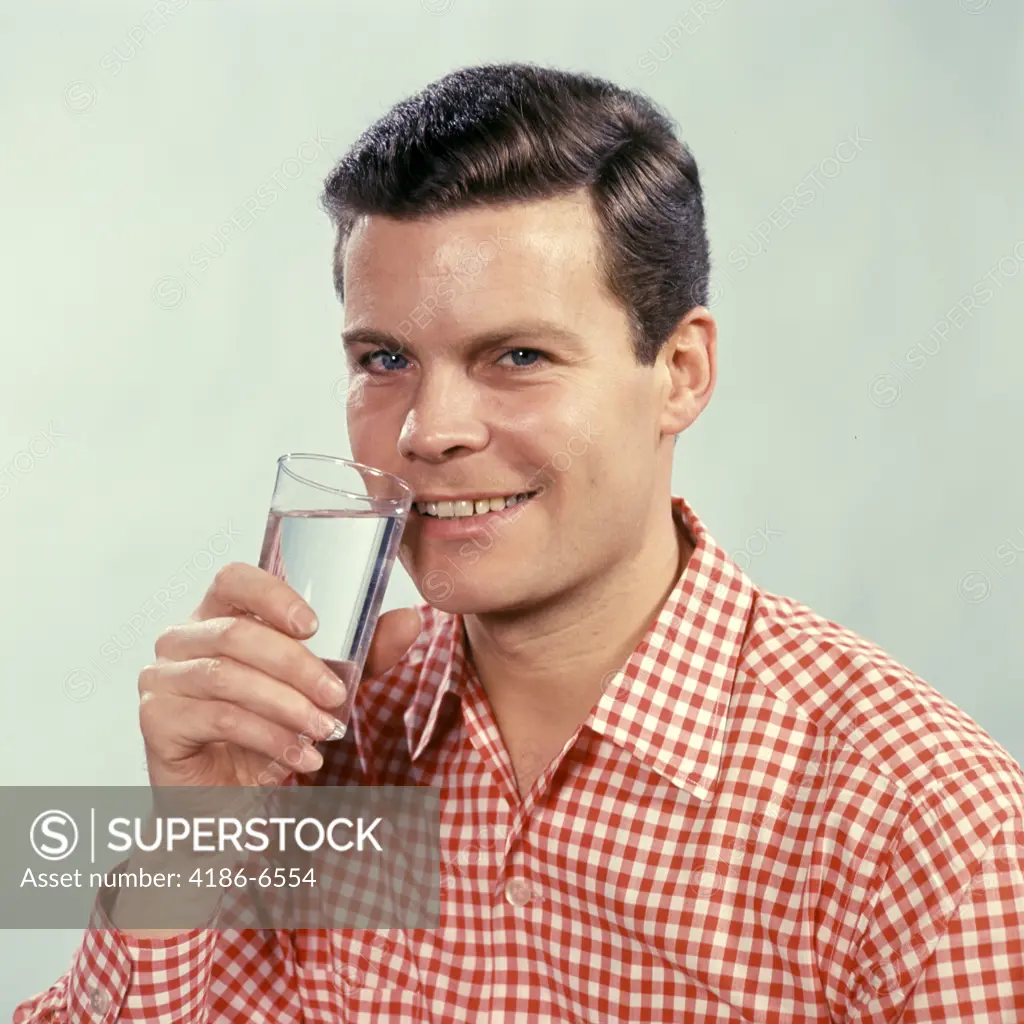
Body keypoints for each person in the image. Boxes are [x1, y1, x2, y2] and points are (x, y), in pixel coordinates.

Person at [16, 61, 1024, 1023]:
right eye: (385, 358)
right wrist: (187, 843)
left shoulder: (926, 828)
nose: (428, 429)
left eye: (519, 355)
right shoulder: (308, 745)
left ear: (679, 371)